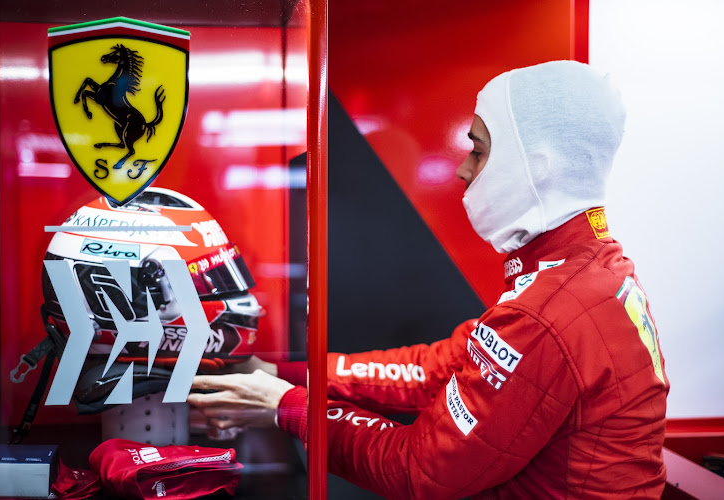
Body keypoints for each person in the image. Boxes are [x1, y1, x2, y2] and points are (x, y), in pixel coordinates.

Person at [187, 60, 669, 499]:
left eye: (478, 151)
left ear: (535, 167)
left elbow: (418, 470)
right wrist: (289, 377)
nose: (462, 169)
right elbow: (437, 369)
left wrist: (290, 408)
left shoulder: (549, 310)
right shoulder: (591, 268)